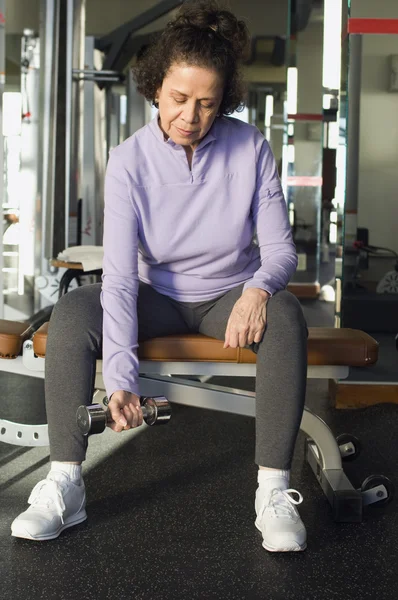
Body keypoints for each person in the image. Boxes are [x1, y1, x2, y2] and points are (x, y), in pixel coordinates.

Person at [11, 1, 308, 552]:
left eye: (207, 104)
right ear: (155, 87)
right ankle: (66, 482)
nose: (189, 117)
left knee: (286, 315)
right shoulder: (129, 161)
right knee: (77, 309)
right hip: (156, 295)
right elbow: (121, 278)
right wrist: (122, 379)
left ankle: (273, 491)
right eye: (178, 99)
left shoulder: (252, 149)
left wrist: (259, 289)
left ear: (224, 103)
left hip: (228, 295)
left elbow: (280, 251)